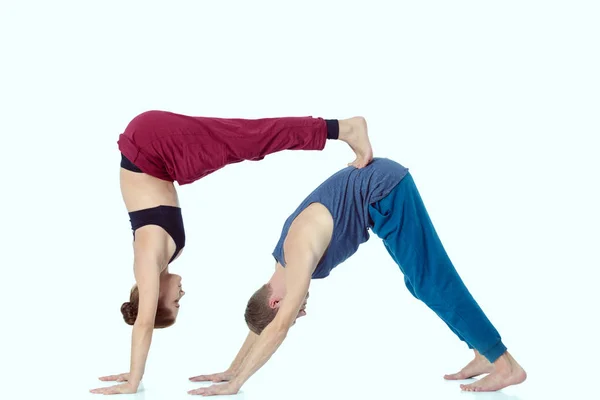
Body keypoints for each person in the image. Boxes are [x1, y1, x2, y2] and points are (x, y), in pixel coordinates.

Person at [90, 110, 373, 395]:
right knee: (248, 144)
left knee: (250, 138)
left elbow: (144, 326)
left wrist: (134, 378)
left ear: (155, 298)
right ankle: (338, 129)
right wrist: (233, 371)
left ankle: (343, 128)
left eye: (175, 304)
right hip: (163, 157)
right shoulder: (163, 258)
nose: (182, 298)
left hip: (151, 144)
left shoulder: (146, 262)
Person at [189, 158, 527, 396]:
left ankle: (505, 365)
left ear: (276, 300)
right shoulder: (281, 266)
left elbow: (275, 327)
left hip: (386, 190)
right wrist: (231, 369)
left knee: (430, 281)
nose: (299, 313)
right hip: (381, 195)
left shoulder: (297, 259)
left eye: (294, 315)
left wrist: (238, 385)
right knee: (420, 285)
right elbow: (265, 322)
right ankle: (484, 351)